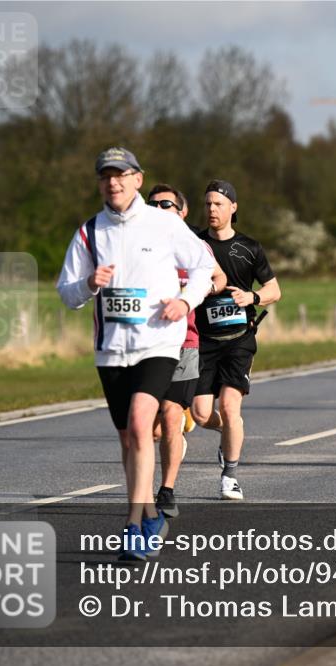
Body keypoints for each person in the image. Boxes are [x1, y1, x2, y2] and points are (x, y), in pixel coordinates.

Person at [57, 148, 214, 560]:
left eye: (121, 175)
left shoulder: (164, 224)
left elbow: (203, 266)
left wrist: (185, 300)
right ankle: (150, 517)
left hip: (158, 343)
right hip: (111, 351)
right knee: (128, 438)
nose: (114, 182)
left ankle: (131, 527)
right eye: (106, 176)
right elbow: (67, 293)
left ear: (137, 179)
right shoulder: (90, 232)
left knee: (142, 424)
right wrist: (89, 283)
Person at [190, 180, 281, 501]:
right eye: (208, 204)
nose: (212, 209)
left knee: (230, 407)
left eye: (218, 204)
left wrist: (251, 296)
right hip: (204, 340)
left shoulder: (249, 247)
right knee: (200, 414)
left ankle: (229, 476)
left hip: (239, 339)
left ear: (233, 207)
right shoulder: (195, 243)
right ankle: (229, 431)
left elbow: (274, 290)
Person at [146, 183, 227, 518]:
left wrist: (201, 290)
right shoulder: (138, 244)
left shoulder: (193, 245)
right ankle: (180, 431)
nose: (158, 209)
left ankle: (166, 490)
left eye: (166, 204)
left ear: (182, 211)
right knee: (151, 430)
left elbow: (219, 277)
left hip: (185, 342)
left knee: (169, 415)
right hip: (145, 345)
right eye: (152, 204)